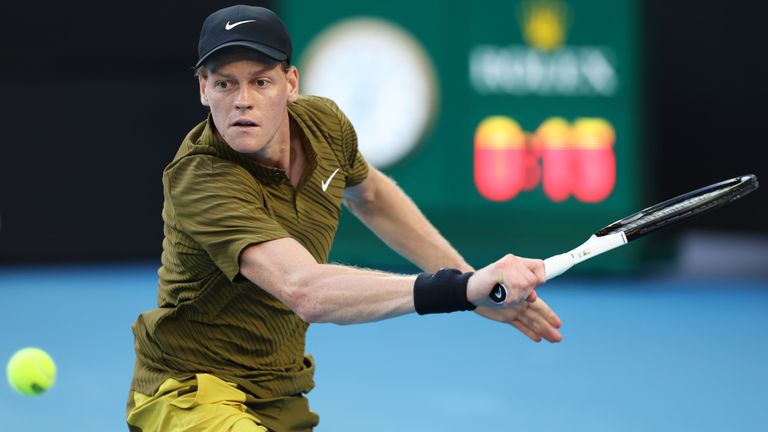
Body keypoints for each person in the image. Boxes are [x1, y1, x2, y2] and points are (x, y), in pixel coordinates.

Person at [126, 5, 563, 432]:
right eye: (225, 84)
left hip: (279, 392)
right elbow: (305, 290)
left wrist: (468, 279)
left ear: (290, 83)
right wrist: (461, 289)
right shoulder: (201, 177)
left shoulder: (325, 123)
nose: (243, 101)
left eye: (261, 82)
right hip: (190, 392)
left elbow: (370, 196)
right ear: (203, 89)